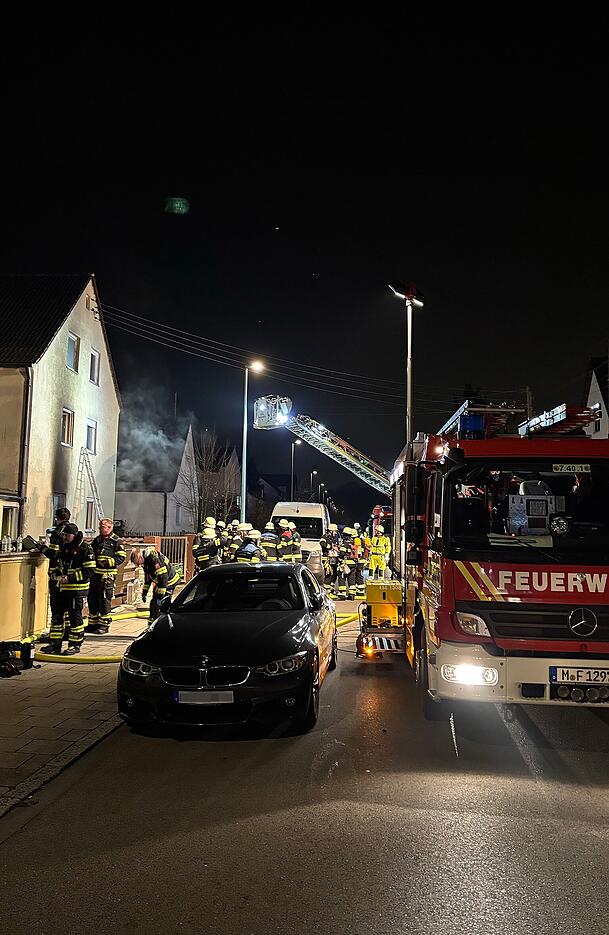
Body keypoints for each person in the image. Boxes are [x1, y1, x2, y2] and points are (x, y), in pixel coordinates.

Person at [40, 524, 96, 655]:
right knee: (57, 616)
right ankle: (55, 644)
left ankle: (75, 645)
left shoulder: (85, 549)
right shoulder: (64, 547)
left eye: (67, 535)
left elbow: (89, 570)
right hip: (62, 588)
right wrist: (55, 573)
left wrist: (69, 578)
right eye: (63, 535)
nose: (64, 537)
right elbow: (60, 564)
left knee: (74, 618)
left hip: (77, 589)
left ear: (74, 535)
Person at [87, 518, 126, 633]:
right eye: (99, 527)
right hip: (95, 575)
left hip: (107, 576)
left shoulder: (117, 541)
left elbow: (121, 558)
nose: (99, 529)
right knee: (92, 598)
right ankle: (93, 624)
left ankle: (104, 625)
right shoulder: (97, 540)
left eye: (102, 527)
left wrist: (107, 562)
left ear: (109, 528)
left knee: (104, 599)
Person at [132, 547, 180, 621]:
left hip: (170, 581)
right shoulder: (146, 562)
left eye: (138, 563)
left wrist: (161, 594)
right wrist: (144, 593)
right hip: (161, 582)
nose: (139, 565)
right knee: (154, 601)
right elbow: (148, 579)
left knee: (162, 601)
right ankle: (153, 618)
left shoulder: (154, 559)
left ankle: (164, 619)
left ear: (141, 557)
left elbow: (163, 576)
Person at [337, 528, 357, 599]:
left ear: (345, 535)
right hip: (353, 564)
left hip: (346, 564)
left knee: (341, 576)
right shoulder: (353, 542)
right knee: (351, 578)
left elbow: (342, 553)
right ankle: (352, 594)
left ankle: (342, 593)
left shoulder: (344, 543)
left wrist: (339, 559)